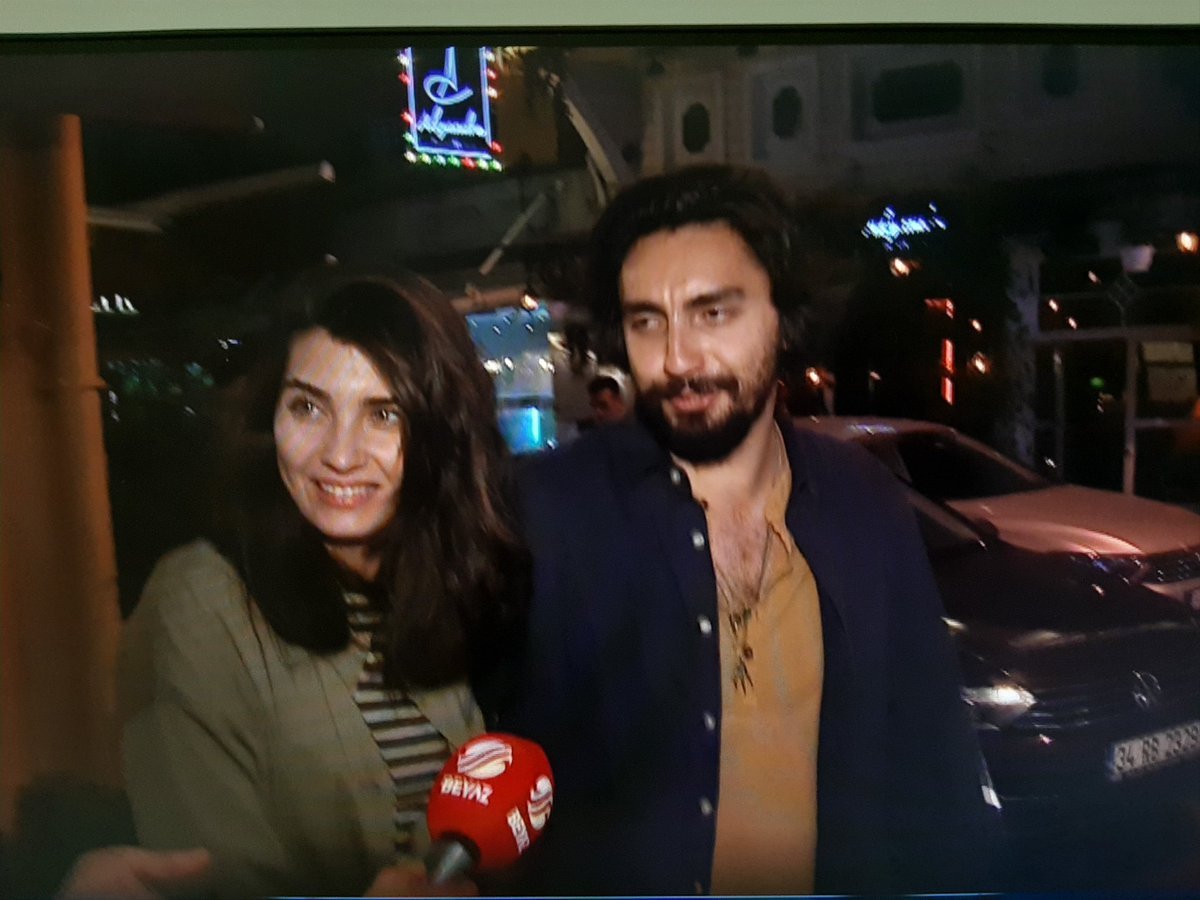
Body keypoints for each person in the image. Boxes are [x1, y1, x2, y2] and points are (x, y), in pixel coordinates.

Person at [503, 165, 999, 895]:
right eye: (647, 321)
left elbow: (934, 763)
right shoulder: (548, 512)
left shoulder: (866, 503)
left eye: (713, 313)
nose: (678, 359)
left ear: (782, 316)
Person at [118, 272, 526, 898]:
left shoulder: (434, 585)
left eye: (383, 414)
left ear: (441, 435)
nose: (339, 454)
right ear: (268, 418)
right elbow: (204, 881)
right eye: (308, 407)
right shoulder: (198, 602)